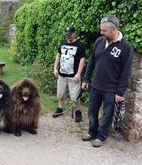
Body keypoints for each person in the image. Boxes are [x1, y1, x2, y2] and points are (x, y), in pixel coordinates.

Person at [81, 15, 133, 147]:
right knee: (92, 110)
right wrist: (86, 78)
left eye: (104, 30)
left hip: (111, 88)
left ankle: (102, 136)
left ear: (114, 29)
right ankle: (92, 132)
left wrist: (120, 92)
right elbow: (92, 61)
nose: (101, 33)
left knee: (107, 115)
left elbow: (126, 71)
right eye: (101, 30)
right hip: (95, 85)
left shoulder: (126, 47)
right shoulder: (99, 41)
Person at [52, 26, 86, 122]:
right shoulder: (63, 43)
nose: (68, 37)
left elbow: (82, 59)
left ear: (74, 34)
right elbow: (58, 55)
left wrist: (78, 74)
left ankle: (77, 111)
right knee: (60, 94)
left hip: (73, 76)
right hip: (62, 75)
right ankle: (60, 109)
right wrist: (55, 68)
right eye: (67, 35)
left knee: (75, 97)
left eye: (70, 35)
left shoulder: (79, 45)